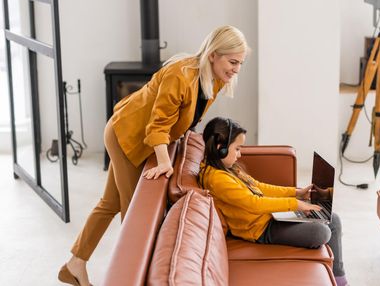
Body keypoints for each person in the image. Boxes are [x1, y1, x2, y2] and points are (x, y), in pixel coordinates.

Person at [58, 26, 249, 286]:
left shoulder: (213, 80)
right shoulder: (180, 74)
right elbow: (158, 125)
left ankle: (75, 264)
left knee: (109, 203)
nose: (237, 69)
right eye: (233, 61)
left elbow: (186, 117)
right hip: (126, 134)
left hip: (135, 134)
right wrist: (164, 162)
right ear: (214, 54)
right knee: (134, 213)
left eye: (241, 63)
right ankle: (128, 278)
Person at [198, 117, 348, 286]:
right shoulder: (217, 179)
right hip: (261, 230)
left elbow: (259, 187)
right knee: (322, 232)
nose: (240, 154)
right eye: (237, 149)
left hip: (270, 216)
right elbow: (253, 203)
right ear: (221, 148)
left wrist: (297, 193)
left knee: (333, 220)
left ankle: (340, 280)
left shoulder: (226, 168)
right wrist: (296, 204)